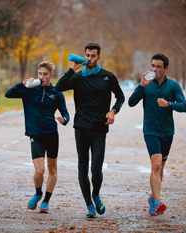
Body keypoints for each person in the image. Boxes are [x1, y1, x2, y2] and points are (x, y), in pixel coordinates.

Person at [55, 43, 125, 218]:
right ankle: (89, 206)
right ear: (84, 56)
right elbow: (58, 87)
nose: (90, 59)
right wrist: (72, 69)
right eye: (87, 55)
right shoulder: (77, 78)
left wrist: (113, 110)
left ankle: (96, 194)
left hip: (100, 127)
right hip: (81, 127)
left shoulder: (108, 77)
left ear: (99, 58)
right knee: (82, 165)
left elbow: (121, 96)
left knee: (96, 169)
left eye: (93, 56)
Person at [5, 61, 69, 214]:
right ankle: (38, 192)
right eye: (40, 74)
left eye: (45, 74)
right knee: (39, 170)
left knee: (52, 169)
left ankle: (46, 201)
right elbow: (8, 94)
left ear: (51, 76)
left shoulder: (57, 93)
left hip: (52, 134)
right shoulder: (28, 90)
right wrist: (23, 84)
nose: (42, 77)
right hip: (35, 134)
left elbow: (65, 113)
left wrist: (64, 119)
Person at [128, 53, 186, 216]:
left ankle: (152, 198)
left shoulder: (173, 86)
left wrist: (169, 104)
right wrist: (141, 85)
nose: (154, 69)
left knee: (160, 168)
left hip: (167, 132)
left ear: (166, 68)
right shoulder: (146, 85)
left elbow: (184, 106)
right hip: (150, 131)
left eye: (158, 66)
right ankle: (157, 202)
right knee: (155, 165)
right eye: (152, 66)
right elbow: (131, 102)